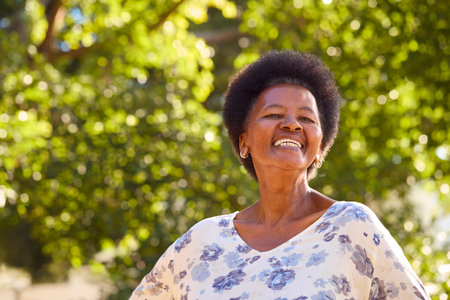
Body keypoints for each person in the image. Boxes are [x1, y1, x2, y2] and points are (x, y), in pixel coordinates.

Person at [130, 50, 430, 299]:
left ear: (320, 144)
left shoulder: (352, 227)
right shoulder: (200, 242)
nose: (292, 124)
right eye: (274, 114)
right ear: (243, 140)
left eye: (306, 118)